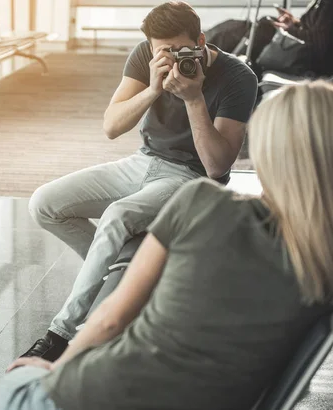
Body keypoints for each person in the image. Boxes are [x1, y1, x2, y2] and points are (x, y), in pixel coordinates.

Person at [0, 80, 333, 410]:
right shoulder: (323, 262)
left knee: (17, 380)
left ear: (268, 153)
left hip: (97, 394)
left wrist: (56, 366)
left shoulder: (203, 202)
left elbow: (111, 320)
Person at [23, 1, 257, 361]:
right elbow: (112, 126)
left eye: (182, 49)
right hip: (141, 162)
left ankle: (61, 334)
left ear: (201, 40)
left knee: (118, 216)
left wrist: (194, 99)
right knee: (44, 203)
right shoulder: (145, 56)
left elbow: (216, 167)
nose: (174, 56)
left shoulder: (239, 77)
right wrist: (153, 89)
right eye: (163, 50)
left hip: (192, 179)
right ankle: (130, 282)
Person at [206, 0, 333, 76]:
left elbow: (320, 42)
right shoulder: (320, 3)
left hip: (311, 60)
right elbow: (314, 28)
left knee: (263, 26)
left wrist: (289, 29)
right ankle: (216, 59)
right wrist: (294, 22)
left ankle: (222, 65)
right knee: (239, 27)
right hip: (304, 50)